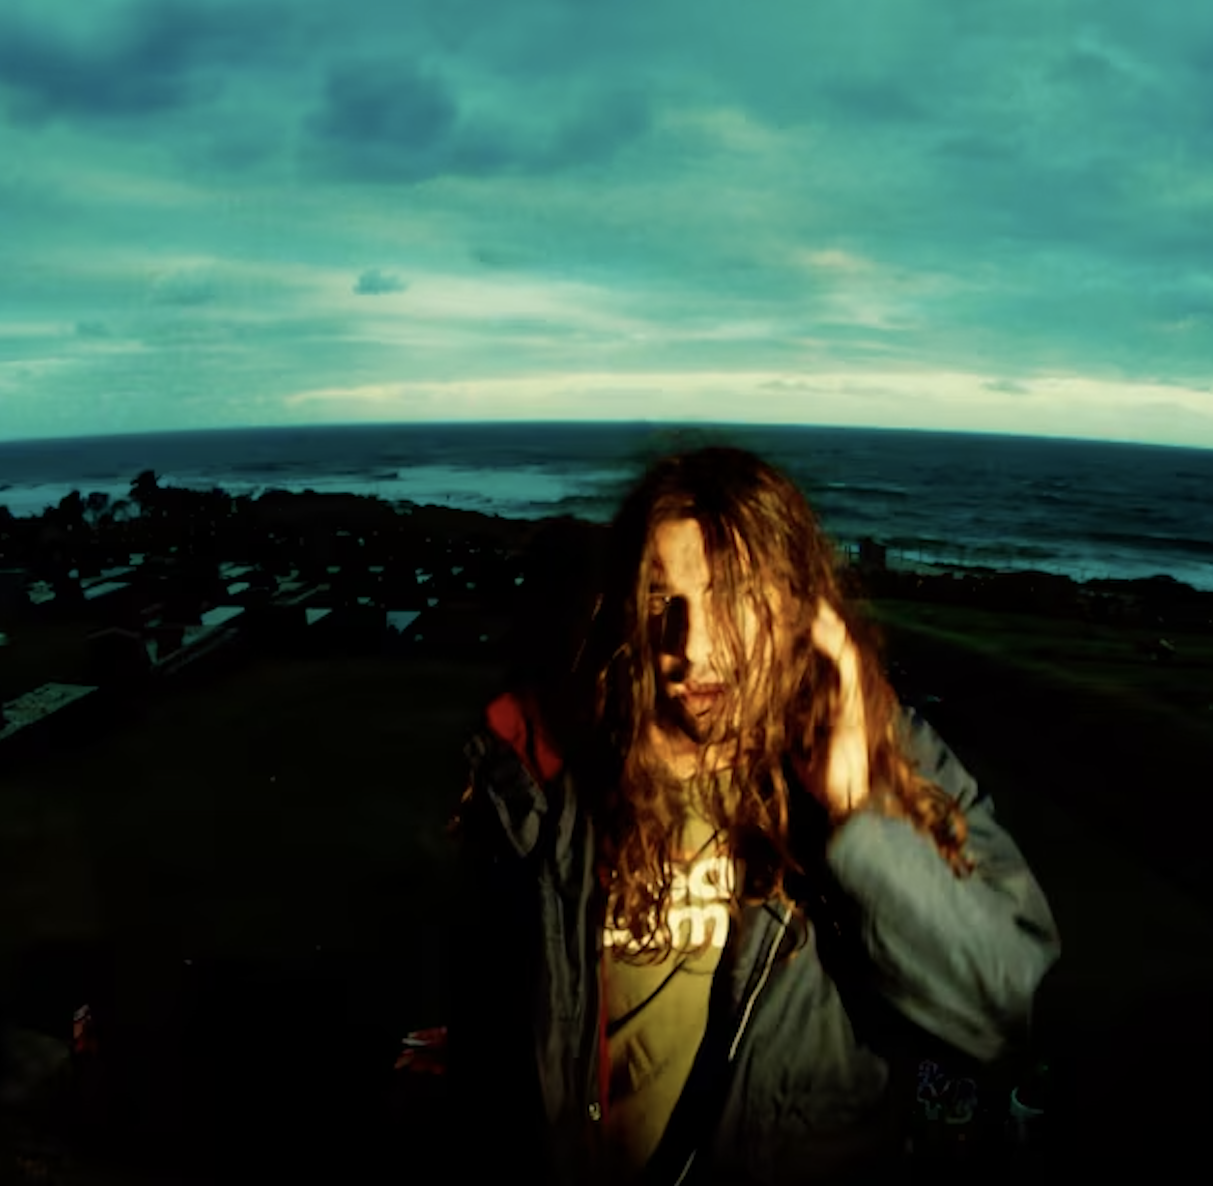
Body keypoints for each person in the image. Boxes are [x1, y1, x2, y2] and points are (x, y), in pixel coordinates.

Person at [443, 445, 1060, 1185]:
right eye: (660, 598)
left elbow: (1003, 1008)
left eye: (731, 596)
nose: (691, 647)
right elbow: (495, 1029)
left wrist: (859, 816)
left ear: (799, 605)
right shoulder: (556, 772)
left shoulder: (884, 753)